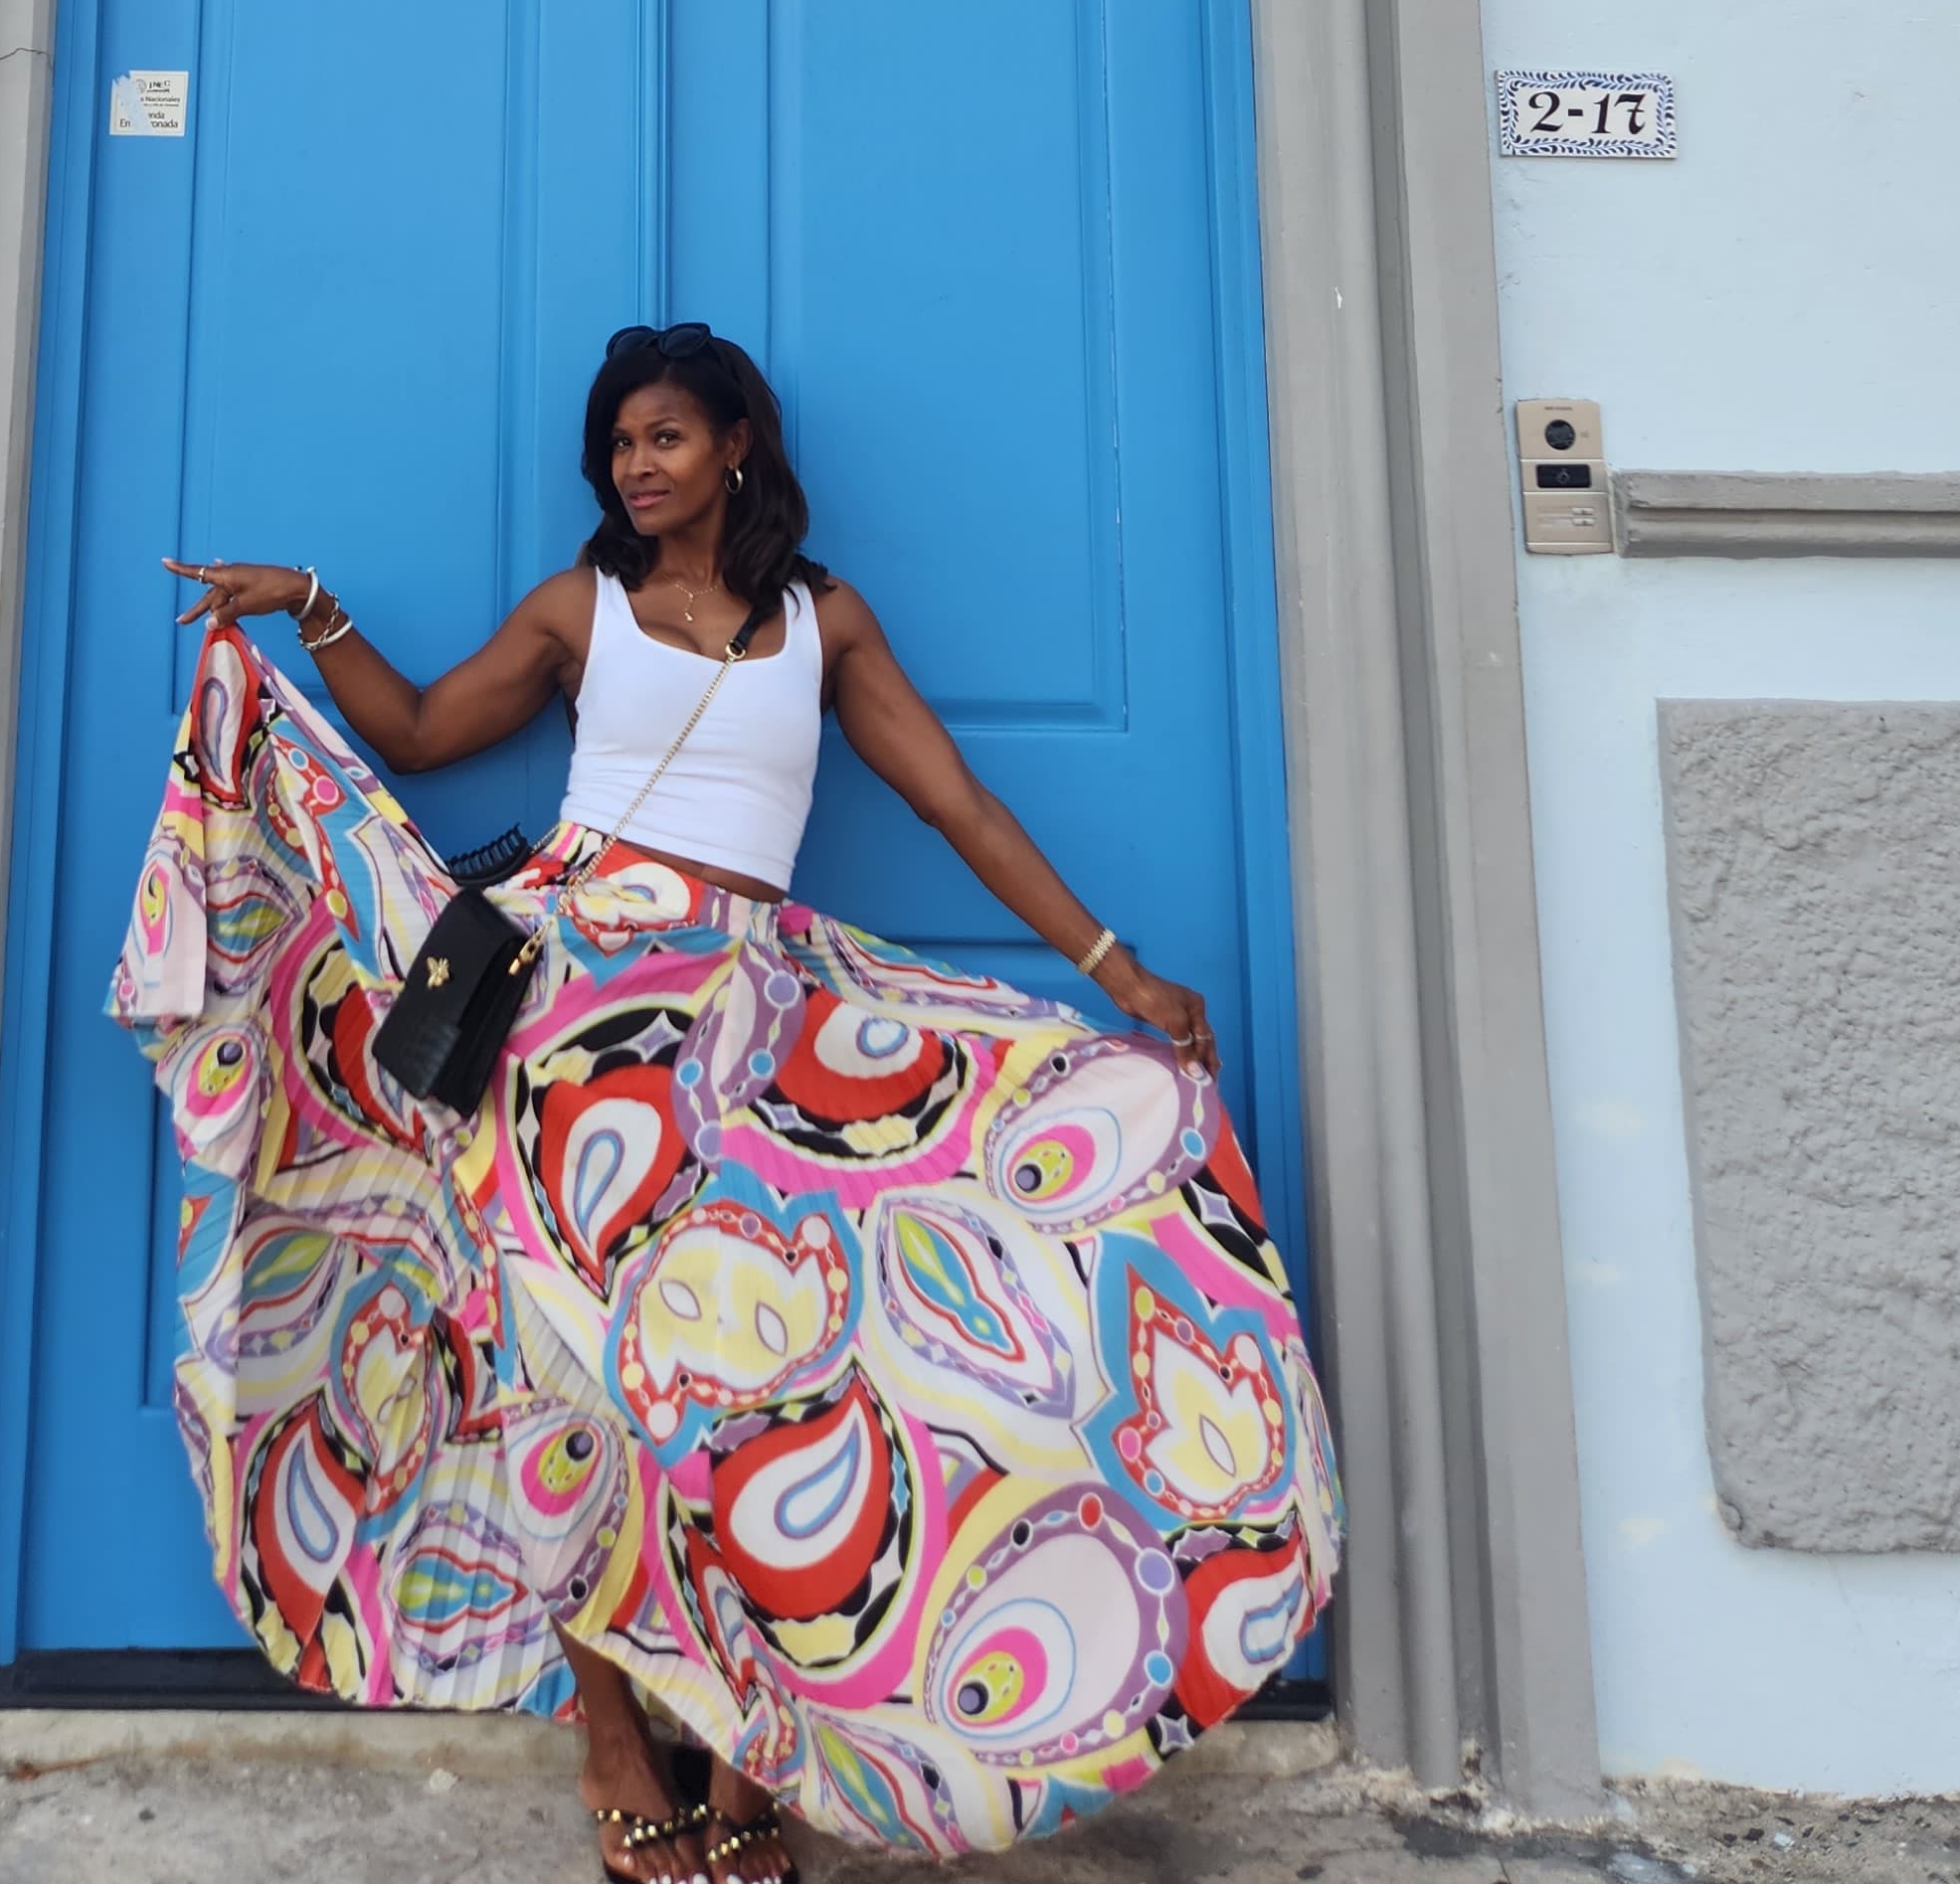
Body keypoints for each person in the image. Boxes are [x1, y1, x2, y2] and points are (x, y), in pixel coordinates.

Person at [113, 323, 1339, 1873]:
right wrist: (311, 607)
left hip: (750, 1028)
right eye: (621, 443)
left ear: (737, 447)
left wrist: (1116, 966)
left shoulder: (825, 625)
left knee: (763, 1387)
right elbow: (419, 735)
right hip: (566, 1030)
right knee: (574, 1392)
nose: (637, 465)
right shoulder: (581, 610)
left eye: (667, 438)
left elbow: (954, 796)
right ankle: (616, 1739)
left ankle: (767, 1753)